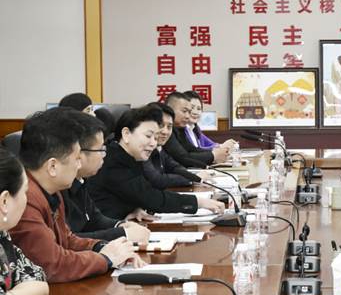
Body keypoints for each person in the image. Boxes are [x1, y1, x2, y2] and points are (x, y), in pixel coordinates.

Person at [10, 108, 142, 283]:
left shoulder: (51, 191)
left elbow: (67, 239)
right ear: (52, 166)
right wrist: (106, 259)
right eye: (76, 159)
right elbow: (52, 265)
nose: (79, 165)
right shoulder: (24, 199)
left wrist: (102, 247)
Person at [86, 105, 225, 220]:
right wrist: (199, 202)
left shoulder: (129, 156)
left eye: (155, 137)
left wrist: (134, 208)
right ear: (126, 134)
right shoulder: (113, 161)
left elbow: (134, 194)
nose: (153, 143)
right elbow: (151, 197)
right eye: (148, 136)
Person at [62, 113, 151, 243]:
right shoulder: (59, 187)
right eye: (100, 149)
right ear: (78, 154)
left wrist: (120, 225)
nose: (104, 155)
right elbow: (68, 240)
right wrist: (122, 233)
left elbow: (94, 218)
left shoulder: (80, 179)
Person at [0, 149, 49, 295]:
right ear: (4, 201)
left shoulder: (2, 235)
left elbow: (38, 280)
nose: (26, 200)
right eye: (25, 192)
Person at [143, 103, 208, 189]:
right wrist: (192, 179)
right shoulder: (142, 149)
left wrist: (194, 177)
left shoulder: (159, 147)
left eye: (169, 127)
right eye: (161, 125)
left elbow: (174, 167)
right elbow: (157, 180)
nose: (165, 132)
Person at [163, 92, 228, 168]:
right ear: (170, 109)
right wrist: (213, 155)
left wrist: (217, 152)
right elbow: (183, 158)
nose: (188, 116)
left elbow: (192, 149)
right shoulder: (164, 131)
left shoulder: (181, 129)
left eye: (189, 112)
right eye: (184, 111)